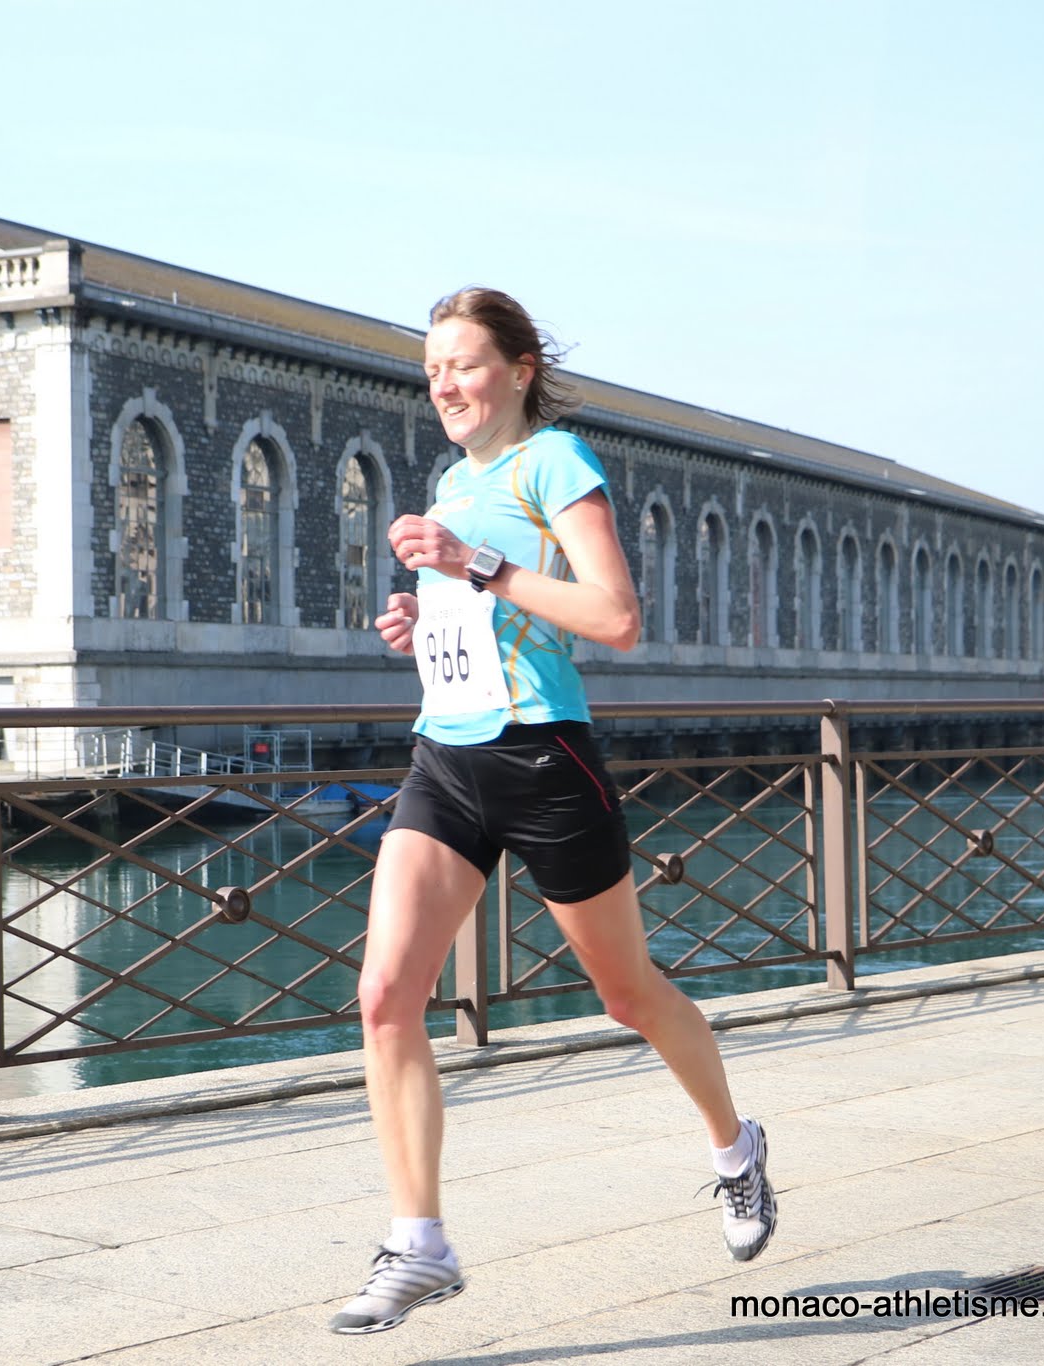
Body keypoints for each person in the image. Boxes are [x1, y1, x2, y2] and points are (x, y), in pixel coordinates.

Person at [328, 287, 776, 1336]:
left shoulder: (554, 462)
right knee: (385, 995)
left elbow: (613, 617)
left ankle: (736, 1148)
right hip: (444, 757)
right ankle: (419, 1244)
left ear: (520, 370)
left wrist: (473, 564)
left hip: (542, 758)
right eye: (431, 369)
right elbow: (487, 612)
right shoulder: (451, 481)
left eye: (464, 364)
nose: (443, 385)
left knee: (627, 993)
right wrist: (426, 615)